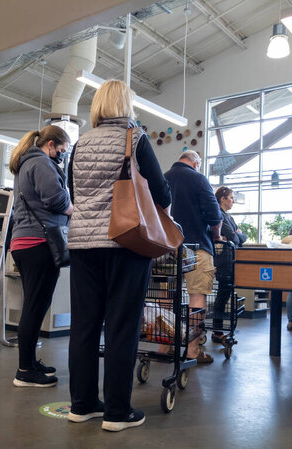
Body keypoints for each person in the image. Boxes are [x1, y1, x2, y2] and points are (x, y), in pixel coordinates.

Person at [67, 80, 171, 431]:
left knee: (83, 326)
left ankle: (81, 405)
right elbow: (161, 191)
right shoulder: (135, 138)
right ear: (126, 104)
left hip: (82, 246)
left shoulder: (80, 144)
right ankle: (116, 412)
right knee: (121, 327)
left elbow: (73, 193)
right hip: (125, 242)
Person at [9, 125, 72, 388]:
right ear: (51, 144)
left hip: (23, 242)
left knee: (34, 305)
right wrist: (74, 210)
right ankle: (24, 371)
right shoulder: (42, 164)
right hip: (39, 242)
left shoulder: (25, 165)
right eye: (62, 150)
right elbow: (55, 199)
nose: (63, 155)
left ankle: (30, 362)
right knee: (35, 307)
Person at [164, 150, 222, 363]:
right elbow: (215, 216)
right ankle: (192, 350)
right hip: (196, 247)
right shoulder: (199, 179)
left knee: (166, 299)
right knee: (197, 297)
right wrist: (216, 236)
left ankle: (165, 345)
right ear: (196, 163)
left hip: (167, 248)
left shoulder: (161, 177)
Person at [211, 186, 246, 344]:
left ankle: (218, 331)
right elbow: (234, 236)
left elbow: (241, 237)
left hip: (231, 259)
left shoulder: (228, 217)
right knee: (222, 296)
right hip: (225, 261)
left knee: (224, 295)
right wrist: (236, 234)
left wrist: (237, 235)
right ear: (223, 198)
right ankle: (217, 332)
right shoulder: (219, 215)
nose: (233, 201)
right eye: (231, 197)